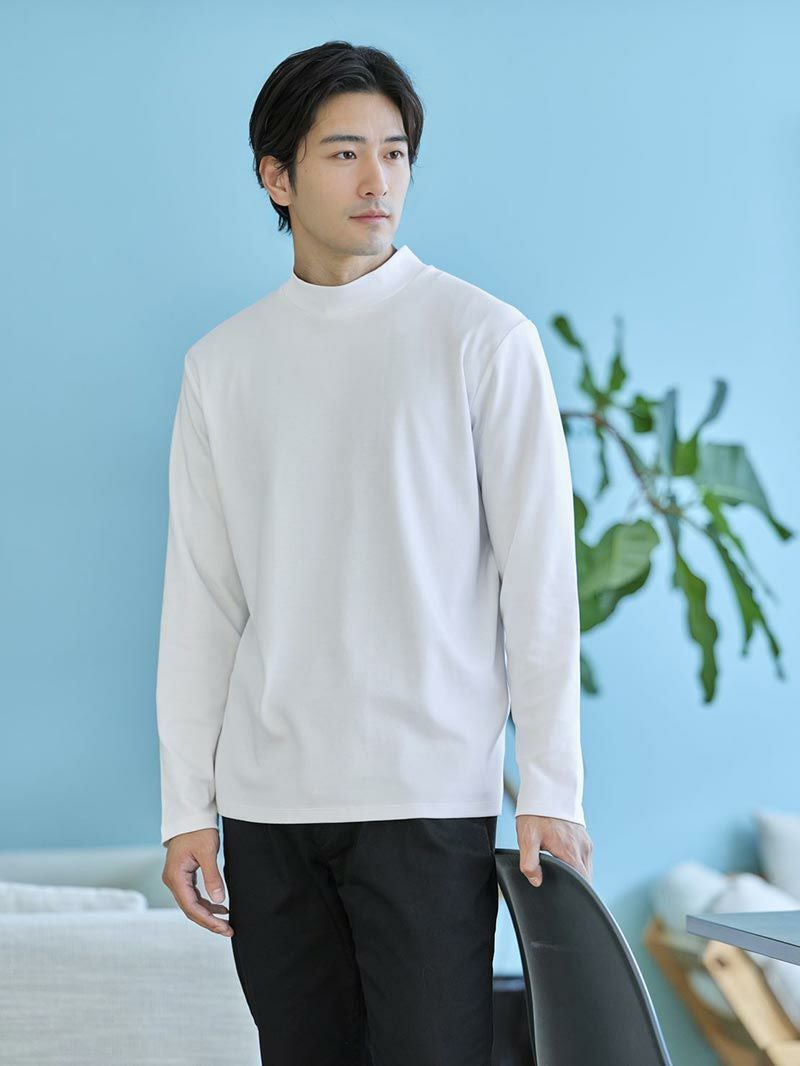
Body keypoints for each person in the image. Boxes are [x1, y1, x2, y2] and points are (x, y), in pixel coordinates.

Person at [156, 39, 593, 1066]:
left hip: (424, 798)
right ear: (277, 176)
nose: (376, 181)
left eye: (393, 154)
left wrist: (551, 788)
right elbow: (203, 599)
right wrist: (186, 808)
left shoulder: (483, 339)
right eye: (344, 153)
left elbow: (538, 581)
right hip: (267, 806)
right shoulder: (222, 365)